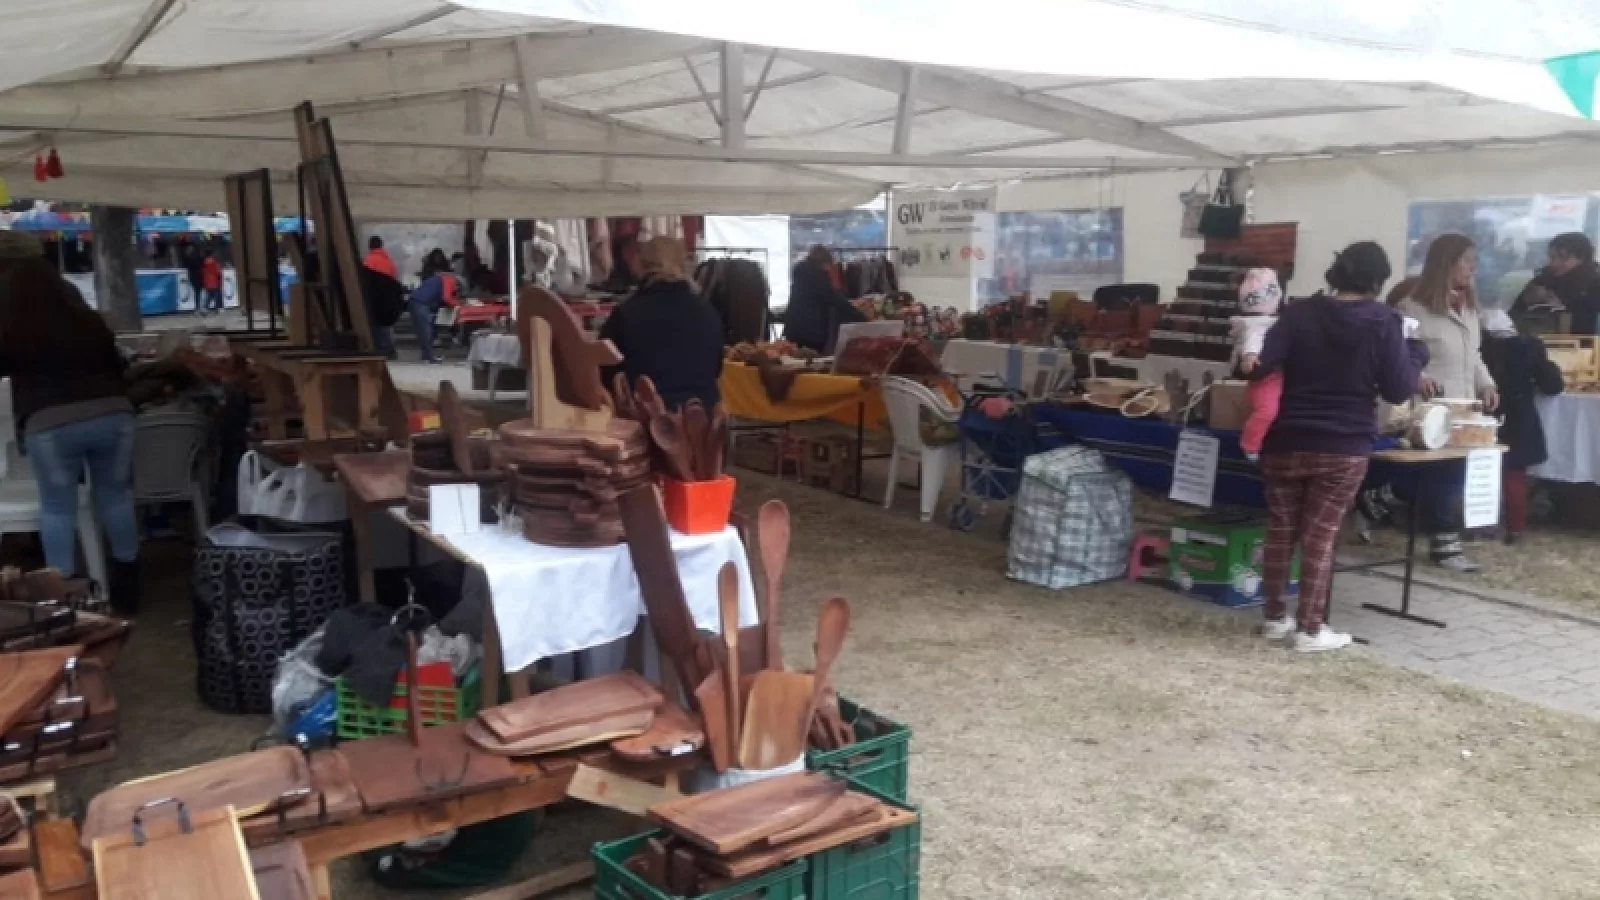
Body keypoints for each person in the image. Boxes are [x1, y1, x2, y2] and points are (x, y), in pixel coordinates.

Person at [1249, 242, 1427, 652]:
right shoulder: (1385, 321)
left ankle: (1274, 618)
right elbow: (1398, 389)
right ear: (1378, 281)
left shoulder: (1298, 313)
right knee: (1320, 536)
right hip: (1344, 444)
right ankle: (1311, 629)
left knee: (1280, 530)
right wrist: (1416, 355)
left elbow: (1261, 366)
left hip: (1286, 438)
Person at [0, 232, 140, 614]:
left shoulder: (10, 310)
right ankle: (128, 589)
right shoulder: (75, 303)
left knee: (57, 508)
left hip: (50, 422)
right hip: (113, 413)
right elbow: (116, 360)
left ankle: (62, 599)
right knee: (116, 497)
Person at [1397, 233, 1499, 572]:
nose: (1472, 268)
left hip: (1464, 407)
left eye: (1474, 261)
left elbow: (1475, 355)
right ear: (1446, 263)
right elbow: (1398, 354)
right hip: (1430, 409)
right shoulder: (1412, 308)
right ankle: (1443, 543)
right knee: (1437, 474)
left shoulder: (1468, 308)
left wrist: (1487, 384)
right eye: (1466, 260)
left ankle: (1439, 537)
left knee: (1451, 473)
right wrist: (1416, 376)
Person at [600, 237, 724, 411]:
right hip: (704, 415)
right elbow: (716, 368)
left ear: (641, 266)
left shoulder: (626, 314)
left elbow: (604, 370)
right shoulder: (708, 313)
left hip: (646, 417)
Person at [1480, 309, 1563, 544]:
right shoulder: (1529, 347)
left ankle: (1481, 524)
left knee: (1480, 471)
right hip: (1518, 416)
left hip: (1483, 414)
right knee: (1515, 474)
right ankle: (1515, 527)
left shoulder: (1480, 348)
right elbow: (1552, 385)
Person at [1230, 268, 1284, 461]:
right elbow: (1253, 338)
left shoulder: (1261, 321)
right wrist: (1250, 355)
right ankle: (1250, 444)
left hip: (1271, 376)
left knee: (1271, 411)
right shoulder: (1256, 323)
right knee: (1267, 412)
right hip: (1266, 377)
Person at [1513, 232, 1600, 334]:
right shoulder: (1542, 281)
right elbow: (1510, 319)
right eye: (1552, 258)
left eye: (1563, 258)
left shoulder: (1595, 285)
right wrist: (1525, 301)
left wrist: (1561, 308)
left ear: (1582, 259)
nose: (1555, 263)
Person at [784, 245, 863, 353]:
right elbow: (835, 299)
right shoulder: (817, 276)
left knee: (794, 357)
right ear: (824, 262)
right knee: (811, 359)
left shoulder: (801, 273)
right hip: (811, 331)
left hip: (793, 328)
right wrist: (860, 317)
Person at [361, 237, 404, 359]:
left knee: (375, 324)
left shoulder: (368, 260)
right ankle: (389, 349)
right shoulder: (389, 261)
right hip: (388, 297)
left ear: (370, 246)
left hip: (374, 296)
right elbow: (393, 280)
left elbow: (366, 280)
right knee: (386, 325)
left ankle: (380, 348)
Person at [408, 262, 457, 364]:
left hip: (415, 301)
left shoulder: (437, 279)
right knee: (426, 331)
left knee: (423, 331)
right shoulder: (449, 280)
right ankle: (430, 357)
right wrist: (457, 304)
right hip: (422, 303)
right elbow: (446, 298)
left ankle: (426, 356)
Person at [200, 248, 224, 314]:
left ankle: (205, 308)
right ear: (212, 254)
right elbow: (218, 272)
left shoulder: (204, 262)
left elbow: (203, 272)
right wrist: (220, 279)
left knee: (209, 295)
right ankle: (217, 308)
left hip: (207, 281)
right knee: (216, 295)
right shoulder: (215, 262)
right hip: (215, 280)